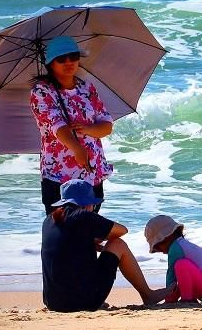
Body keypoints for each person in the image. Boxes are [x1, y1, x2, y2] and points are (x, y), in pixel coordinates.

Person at [41, 179, 172, 312]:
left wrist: (88, 240)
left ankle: (85, 295)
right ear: (87, 204)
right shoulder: (84, 216)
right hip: (82, 302)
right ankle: (147, 295)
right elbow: (122, 230)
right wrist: (96, 237)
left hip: (53, 302)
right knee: (117, 244)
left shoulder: (48, 220)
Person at [30, 36, 114, 215]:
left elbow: (106, 125)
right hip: (59, 176)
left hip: (91, 172)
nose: (68, 62)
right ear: (51, 63)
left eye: (73, 56)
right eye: (61, 59)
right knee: (63, 234)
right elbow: (56, 126)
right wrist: (77, 148)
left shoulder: (87, 88)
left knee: (90, 233)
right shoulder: (42, 91)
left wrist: (87, 129)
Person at [144, 215, 202, 303]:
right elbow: (182, 279)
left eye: (157, 246)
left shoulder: (176, 248)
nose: (159, 250)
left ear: (166, 237)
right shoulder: (182, 245)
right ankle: (187, 297)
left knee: (181, 265)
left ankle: (187, 299)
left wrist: (168, 297)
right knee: (182, 272)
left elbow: (171, 275)